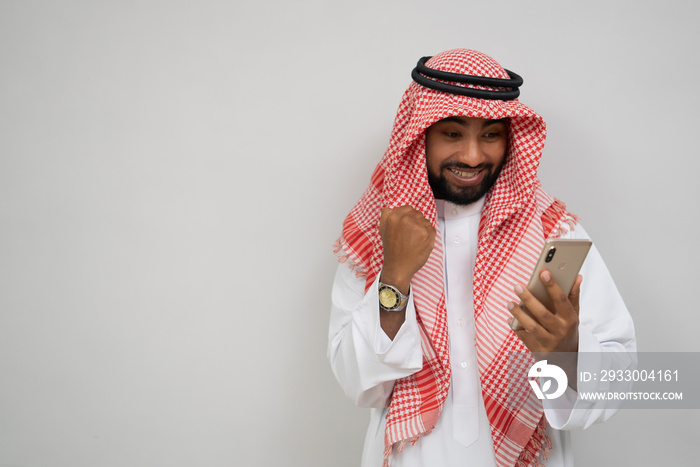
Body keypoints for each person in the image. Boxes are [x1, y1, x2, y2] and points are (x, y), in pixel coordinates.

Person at [328, 49, 636, 467]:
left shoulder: (554, 234)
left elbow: (620, 379)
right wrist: (395, 274)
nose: (473, 157)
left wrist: (568, 349)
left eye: (490, 135)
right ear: (419, 136)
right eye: (452, 134)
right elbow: (357, 383)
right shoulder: (378, 230)